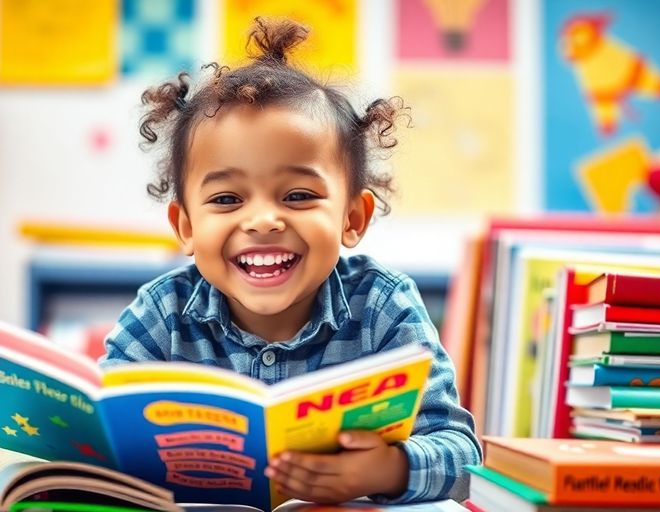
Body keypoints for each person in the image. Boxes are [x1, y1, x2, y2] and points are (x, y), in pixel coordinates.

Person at [101, 17, 481, 504]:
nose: (262, 221)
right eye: (226, 200)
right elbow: (103, 431)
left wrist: (388, 469)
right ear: (186, 227)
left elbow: (464, 457)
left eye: (298, 195)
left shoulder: (384, 306)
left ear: (352, 218)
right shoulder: (161, 314)